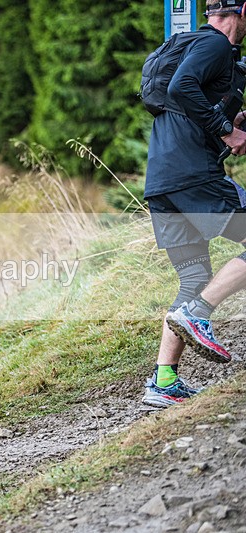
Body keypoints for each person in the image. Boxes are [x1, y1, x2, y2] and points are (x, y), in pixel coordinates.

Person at [141, 1, 246, 409]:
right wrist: (226, 132)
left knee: (193, 274)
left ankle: (163, 381)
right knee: (197, 293)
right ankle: (199, 313)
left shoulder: (196, 48)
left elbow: (187, 101)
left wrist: (229, 124)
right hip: (192, 177)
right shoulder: (215, 44)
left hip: (163, 181)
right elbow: (180, 87)